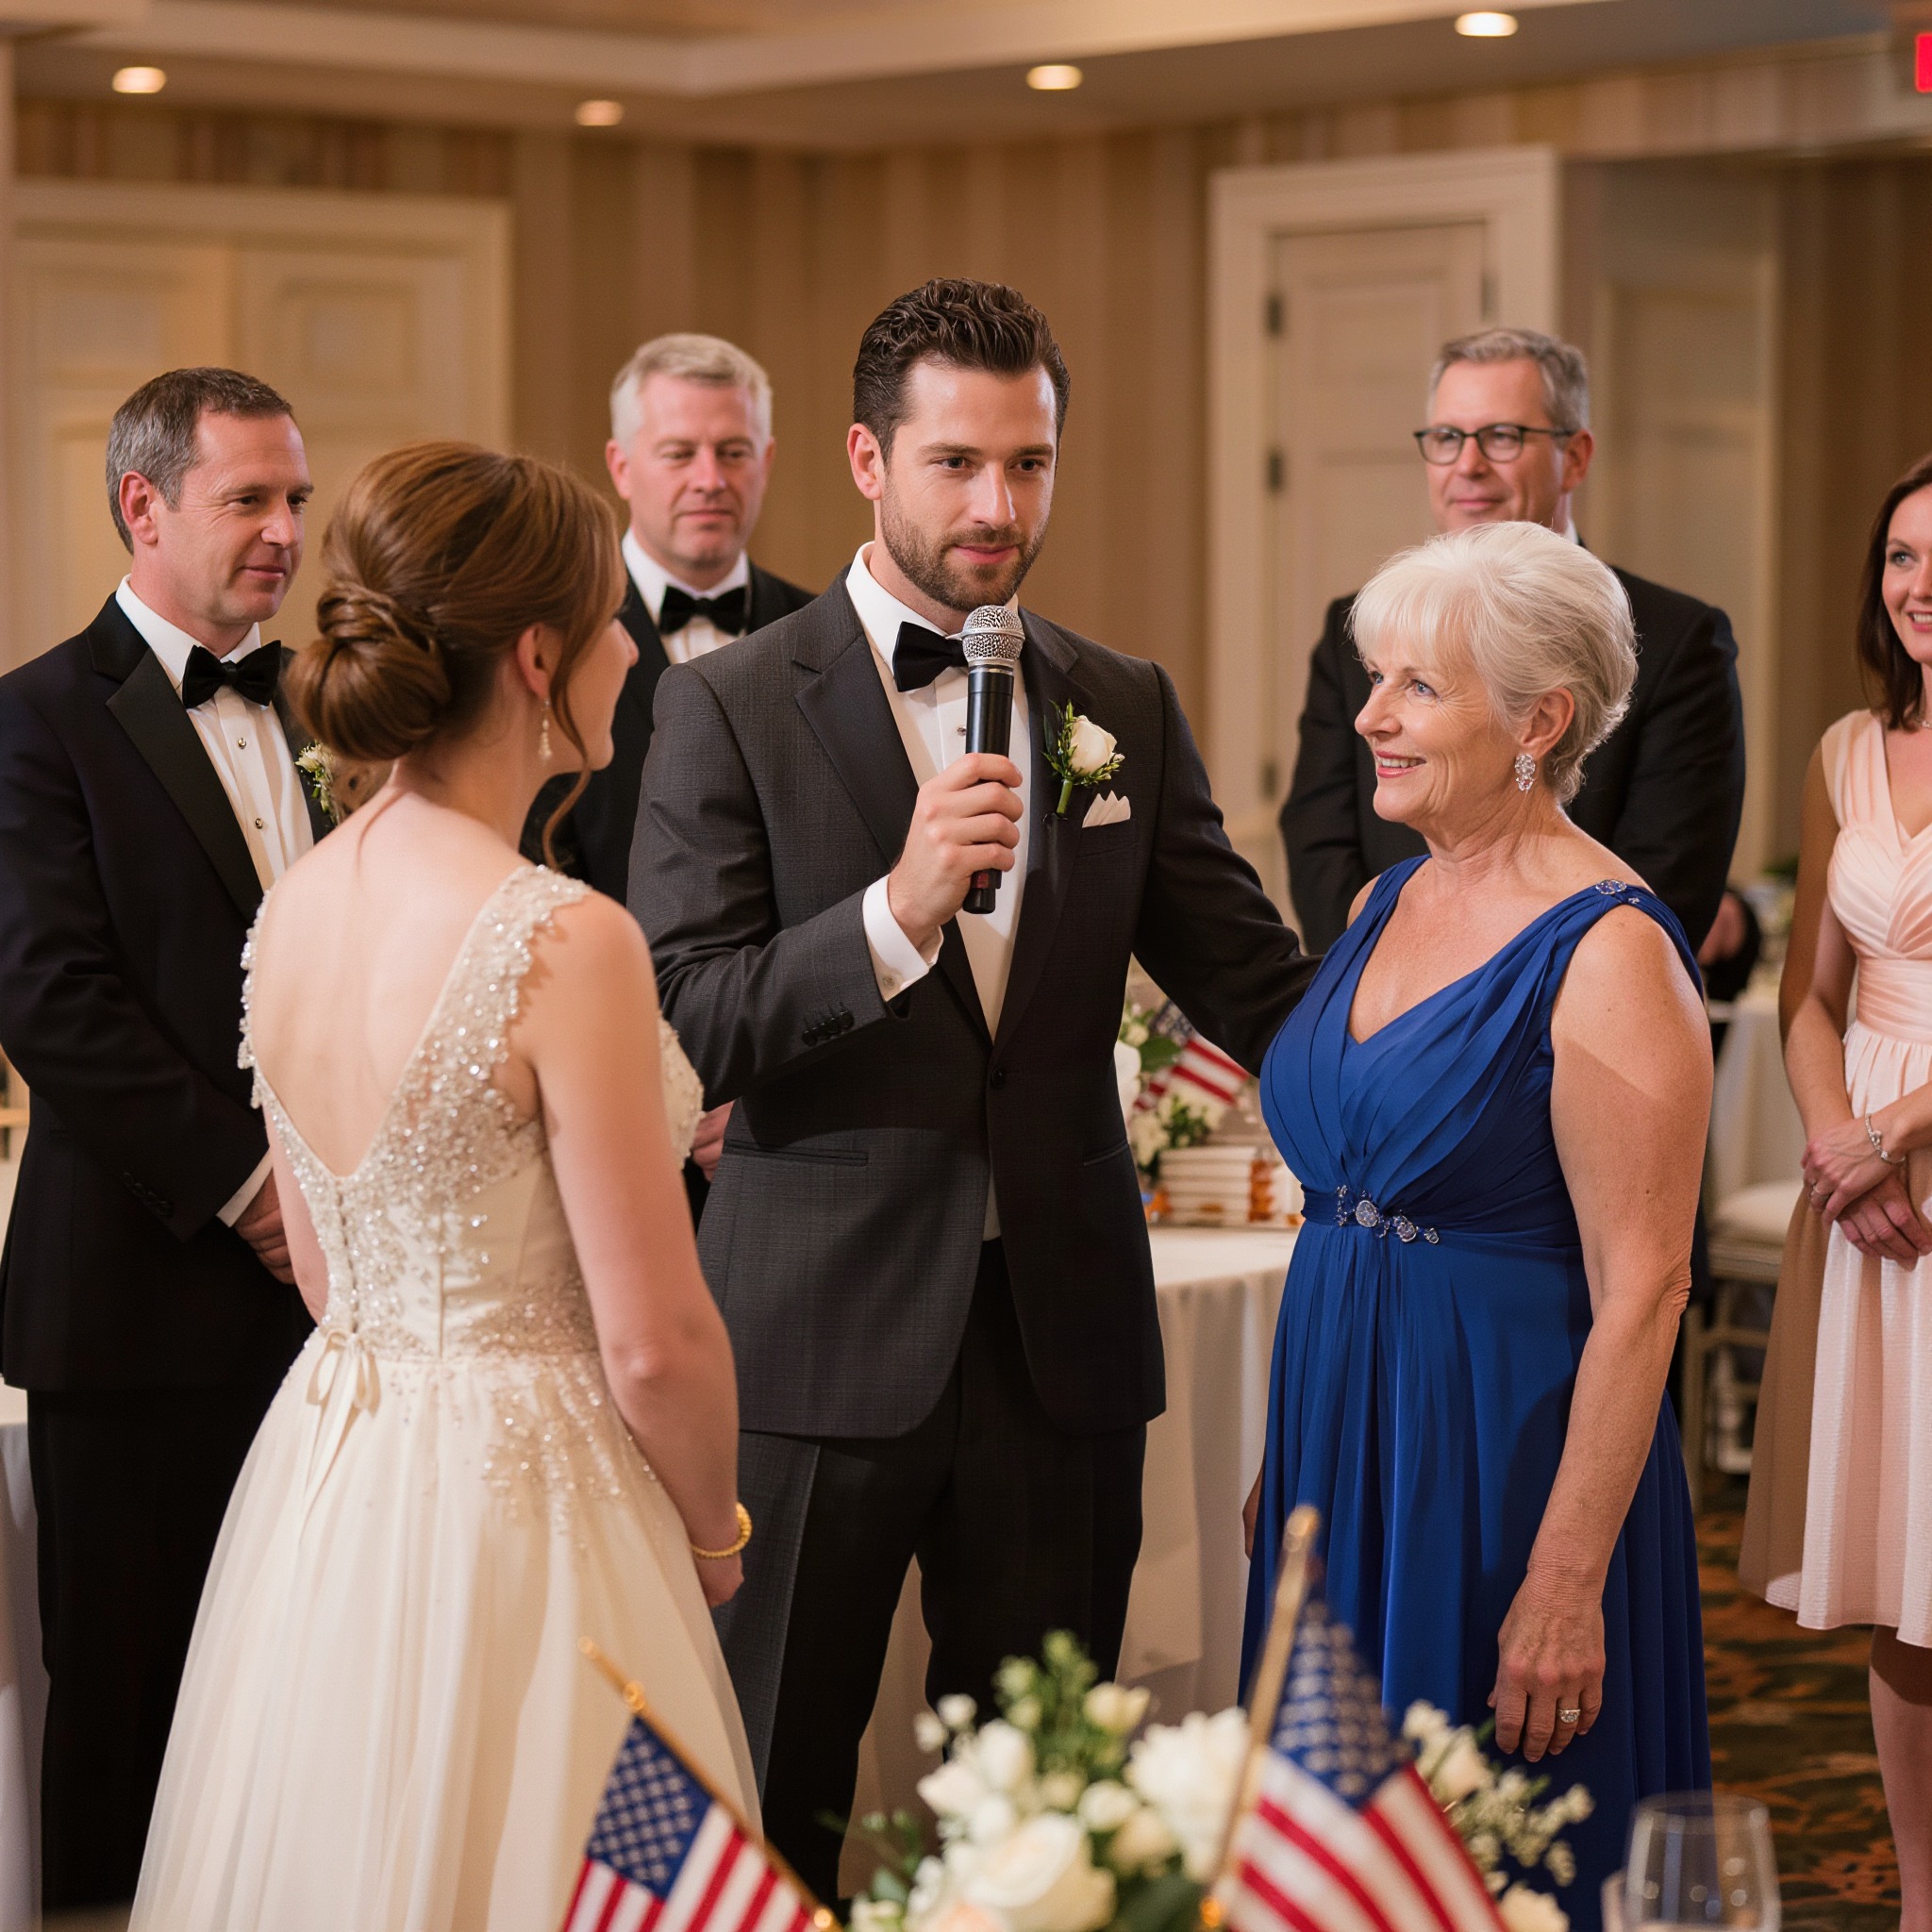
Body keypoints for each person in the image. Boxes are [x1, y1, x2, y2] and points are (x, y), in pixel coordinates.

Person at [631, 277, 1319, 1901]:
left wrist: (1451, 1038)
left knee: (1048, 1810)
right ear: (867, 460)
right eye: (956, 463)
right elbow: (688, 1017)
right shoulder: (729, 703)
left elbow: (1257, 982)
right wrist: (893, 913)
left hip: (1057, 1339)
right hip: (813, 1340)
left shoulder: (1121, 701)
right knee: (772, 1780)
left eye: (1028, 462)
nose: (998, 506)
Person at [131, 441, 757, 1929]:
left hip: (339, 1481)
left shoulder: (293, 906)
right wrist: (713, 1536)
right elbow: (654, 1341)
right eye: (608, 624)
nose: (631, 650)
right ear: (539, 659)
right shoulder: (563, 937)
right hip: (539, 1502)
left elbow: (328, 1277)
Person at [1243, 521, 1711, 1932]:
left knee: (1491, 1845)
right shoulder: (1382, 898)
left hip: (1500, 1459)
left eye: (1417, 688)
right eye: (1374, 679)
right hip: (1342, 1437)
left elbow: (1645, 1288)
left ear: (1538, 722)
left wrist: (1565, 1577)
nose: (1369, 717)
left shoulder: (1610, 947)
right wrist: (1288, 1456)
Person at [0, 367, 323, 1907]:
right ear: (143, 505)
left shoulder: (335, 708)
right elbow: (53, 1004)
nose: (284, 533)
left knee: (302, 1707)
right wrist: (258, 1197)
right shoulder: (33, 721)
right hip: (136, 1307)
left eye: (296, 500)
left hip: (336, 1313)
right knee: (129, 1715)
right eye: (247, 499)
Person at [1281, 325, 1745, 957]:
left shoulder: (1676, 640)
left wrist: (1493, 996)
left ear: (1575, 457)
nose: (1467, 465)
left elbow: (1666, 884)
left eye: (1502, 436)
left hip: (1570, 995)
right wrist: (1380, 985)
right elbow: (1319, 845)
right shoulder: (1356, 625)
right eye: (1447, 437)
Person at [1741, 450, 1932, 1932]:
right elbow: (1809, 990)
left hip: (1911, 1148)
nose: (1920, 587)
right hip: (1868, 1187)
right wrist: (1833, 1142)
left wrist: (1902, 1131)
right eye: (1903, 557)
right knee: (1905, 1574)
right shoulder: (1848, 749)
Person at [520, 332, 814, 901]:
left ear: (766, 461)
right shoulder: (555, 640)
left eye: (734, 452)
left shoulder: (825, 629)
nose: (710, 480)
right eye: (679, 453)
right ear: (621, 467)